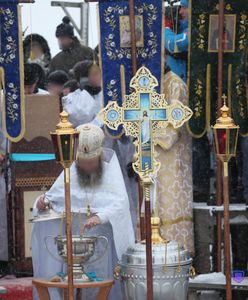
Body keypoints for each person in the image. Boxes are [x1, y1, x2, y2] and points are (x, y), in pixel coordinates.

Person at [31, 123, 135, 300]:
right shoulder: (72, 169)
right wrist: (42, 202)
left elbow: (120, 204)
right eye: (83, 163)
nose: (87, 167)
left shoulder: (110, 169)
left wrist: (100, 217)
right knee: (73, 283)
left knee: (99, 285)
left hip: (102, 241)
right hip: (73, 241)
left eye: (91, 163)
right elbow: (53, 198)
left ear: (99, 158)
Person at [154, 65, 194, 254]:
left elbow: (173, 127)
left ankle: (176, 257)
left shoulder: (175, 84)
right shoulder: (152, 84)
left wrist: (148, 138)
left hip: (172, 159)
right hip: (152, 158)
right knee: (154, 205)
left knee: (170, 205)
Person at [62, 60, 102, 127]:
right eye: (94, 74)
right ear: (83, 79)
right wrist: (87, 92)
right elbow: (80, 119)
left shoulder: (105, 95)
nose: (99, 77)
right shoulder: (70, 98)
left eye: (99, 73)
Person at [164, 0, 188, 82]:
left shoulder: (194, 29)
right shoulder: (181, 26)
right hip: (174, 78)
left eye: (184, 8)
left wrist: (166, 28)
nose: (180, 12)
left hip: (181, 79)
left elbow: (171, 44)